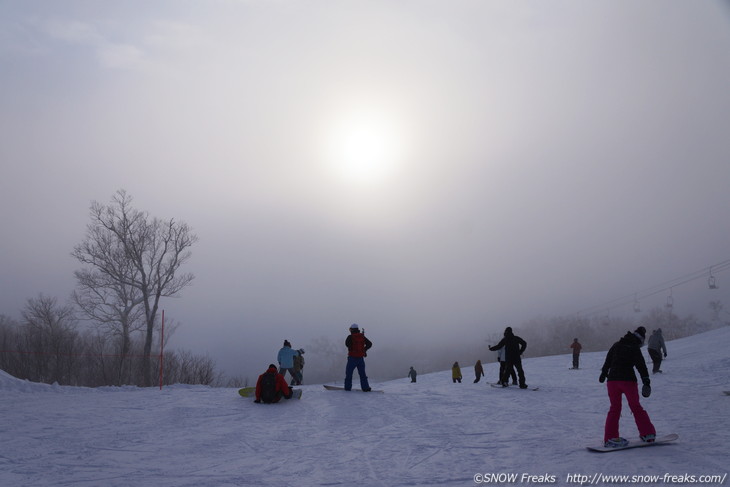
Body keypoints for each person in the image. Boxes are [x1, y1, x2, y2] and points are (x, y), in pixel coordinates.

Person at [599, 326, 656, 448]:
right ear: (640, 340)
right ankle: (648, 433)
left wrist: (604, 373)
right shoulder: (634, 348)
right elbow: (641, 365)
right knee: (636, 407)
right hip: (628, 381)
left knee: (614, 408)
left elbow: (608, 360)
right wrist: (646, 381)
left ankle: (610, 437)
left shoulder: (616, 345)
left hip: (612, 381)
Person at [344, 324, 372, 391]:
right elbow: (370, 344)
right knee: (362, 374)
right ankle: (365, 388)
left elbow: (347, 344)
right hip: (360, 358)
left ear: (352, 329)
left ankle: (347, 388)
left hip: (352, 358)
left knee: (349, 374)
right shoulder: (362, 336)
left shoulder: (350, 337)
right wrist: (364, 350)